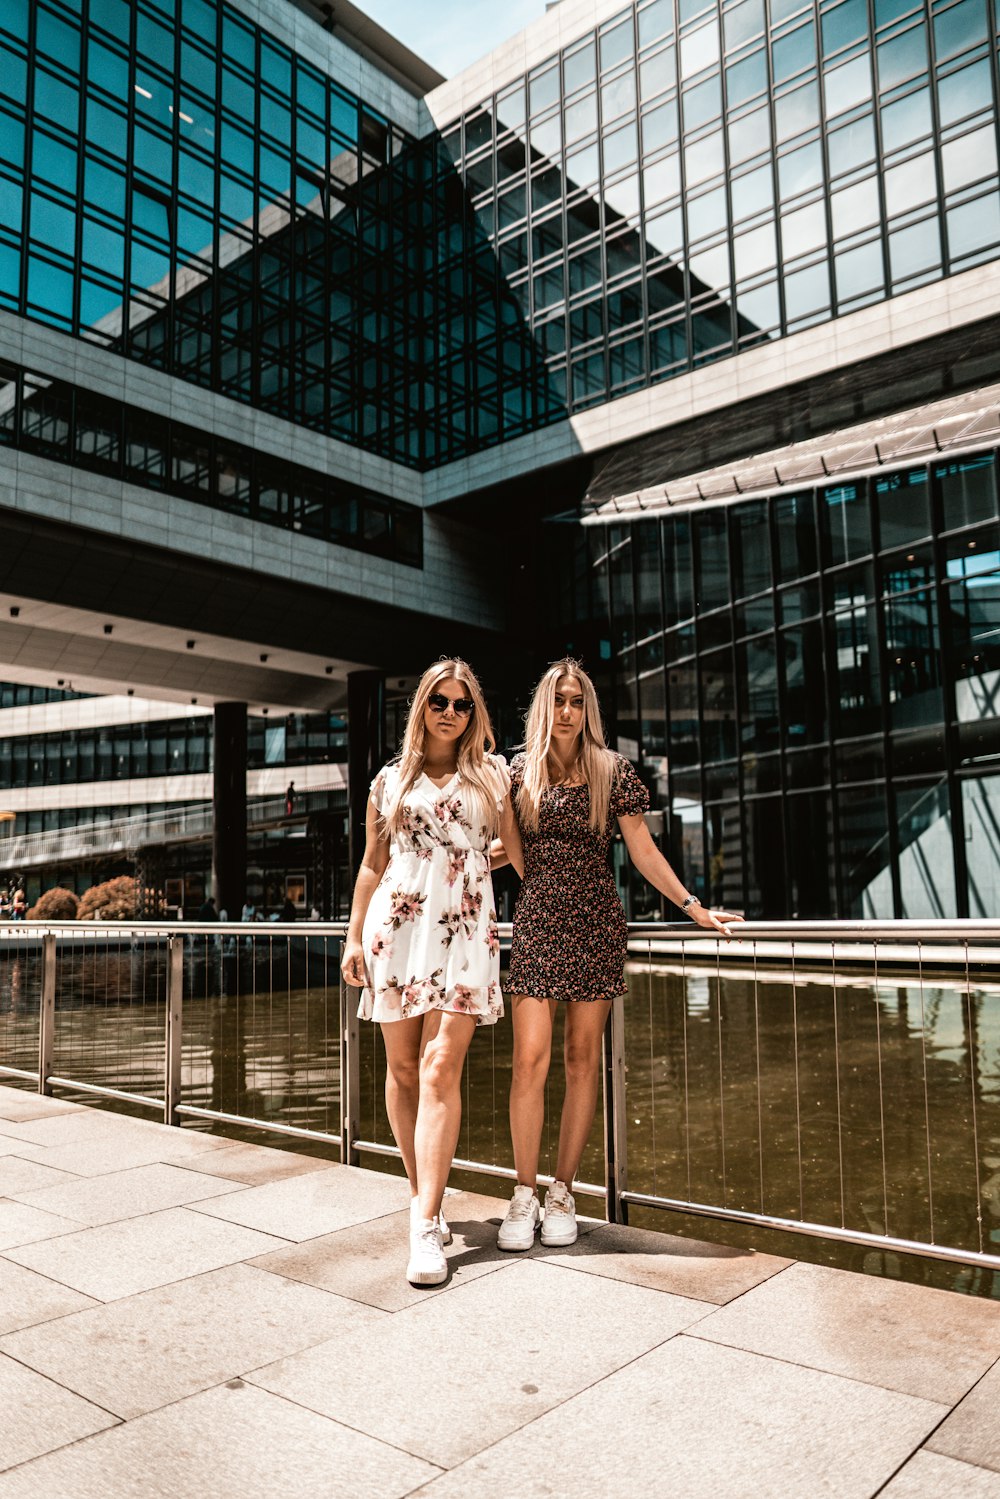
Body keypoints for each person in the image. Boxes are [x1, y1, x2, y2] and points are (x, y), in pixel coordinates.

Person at [493, 659, 742, 1253]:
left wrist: (693, 907)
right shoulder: (516, 773)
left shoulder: (612, 772)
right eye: (559, 700)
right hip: (538, 923)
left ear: (589, 709)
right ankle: (523, 1192)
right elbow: (506, 848)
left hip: (597, 925)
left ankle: (561, 1192)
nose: (568, 711)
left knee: (583, 1060)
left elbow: (643, 851)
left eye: (577, 701)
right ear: (543, 707)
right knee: (530, 1060)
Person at [342, 658, 523, 1286]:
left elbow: (516, 849)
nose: (451, 712)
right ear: (421, 705)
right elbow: (370, 864)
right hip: (397, 923)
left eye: (463, 703)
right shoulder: (388, 781)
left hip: (468, 928)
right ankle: (427, 1202)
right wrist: (353, 938)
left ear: (476, 714)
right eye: (440, 701)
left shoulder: (494, 776)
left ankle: (422, 1229)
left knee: (441, 1064)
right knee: (401, 1068)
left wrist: (474, 862)